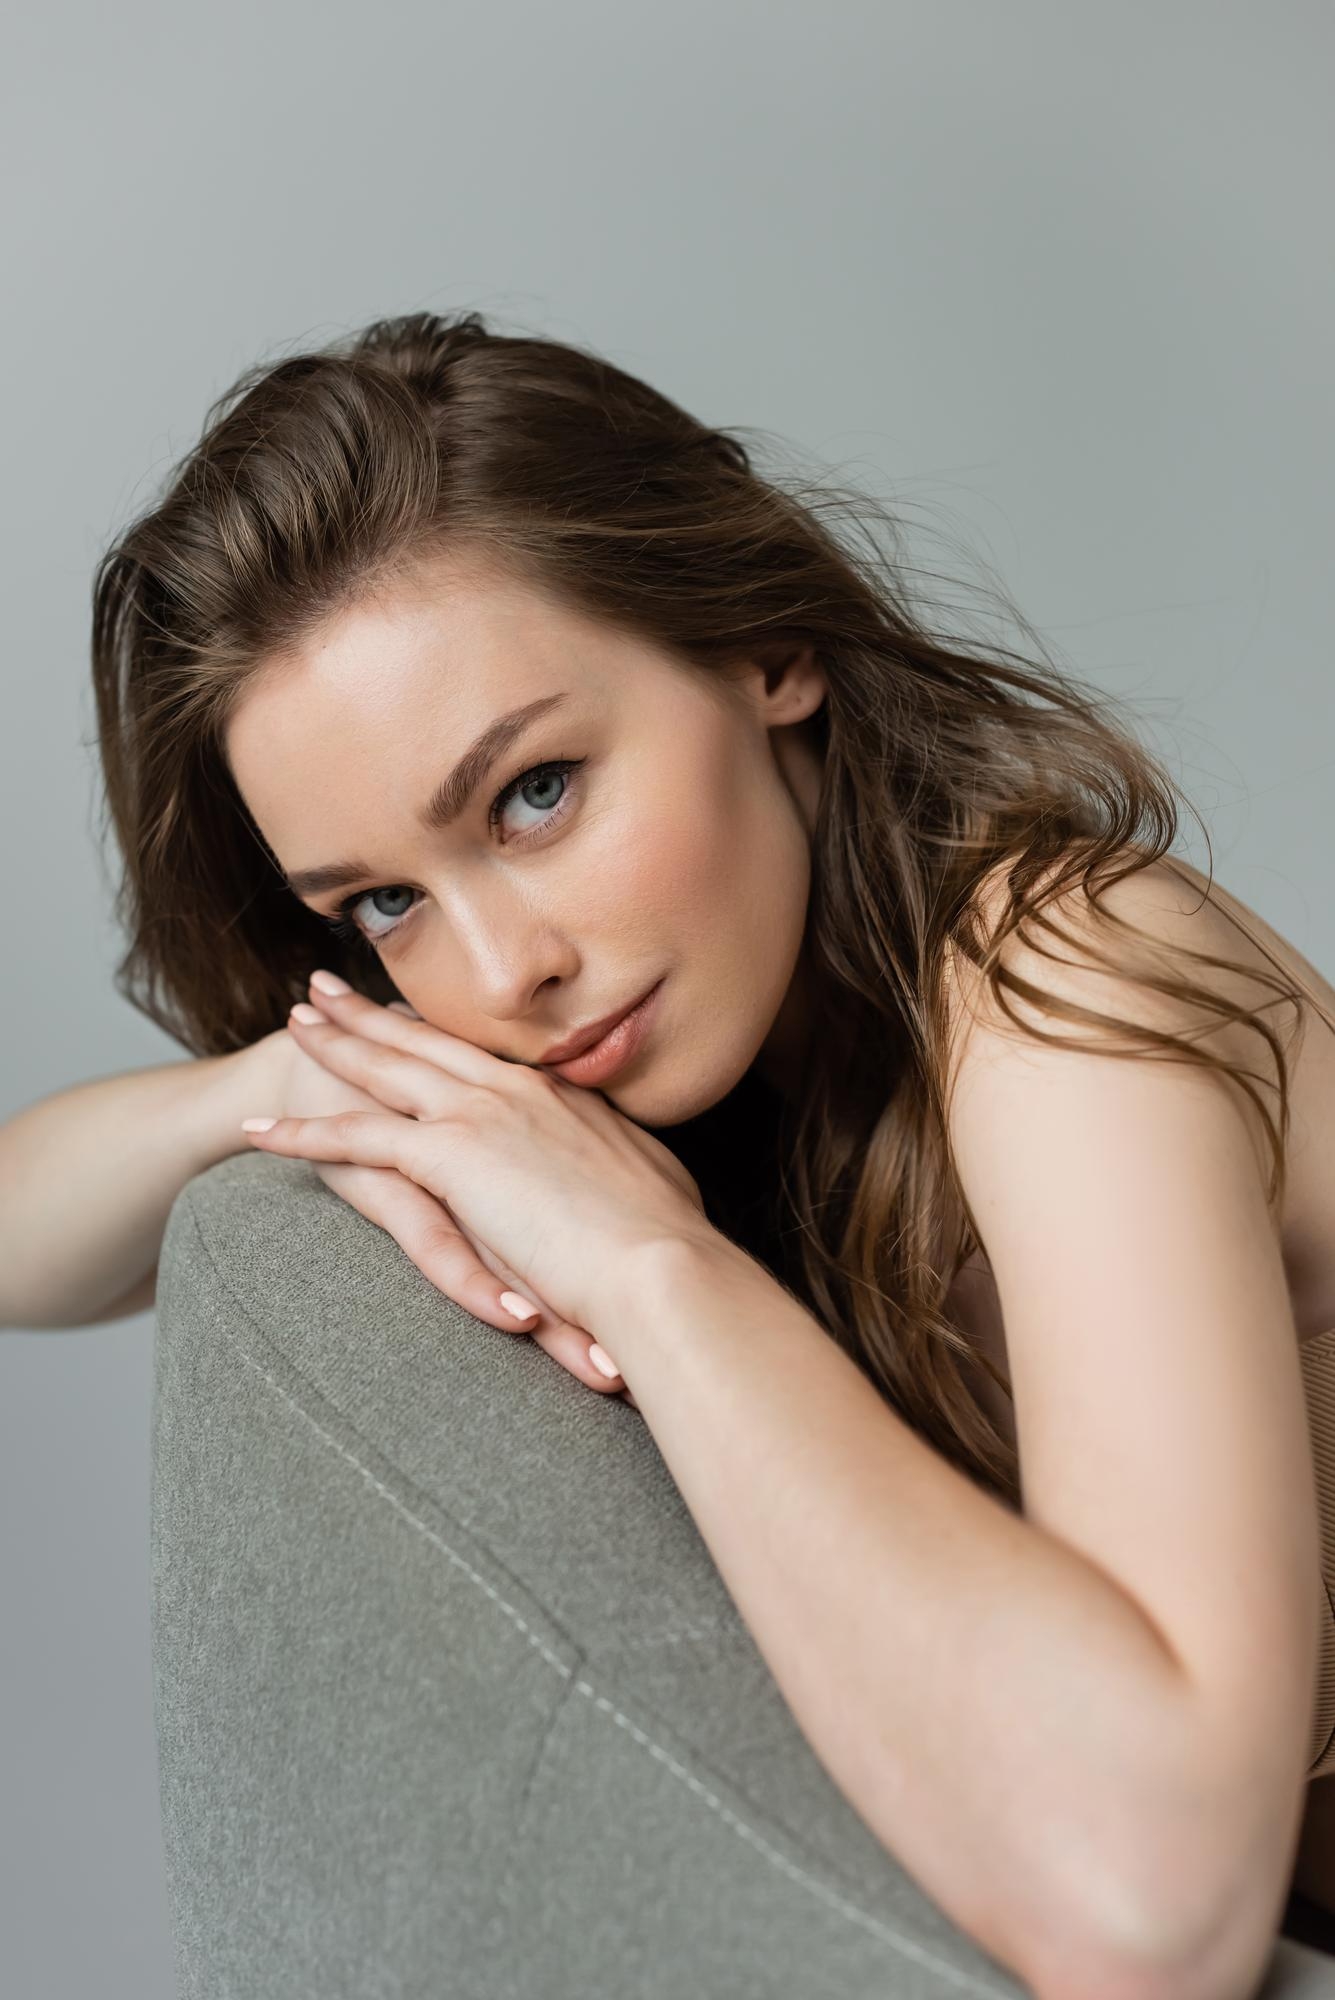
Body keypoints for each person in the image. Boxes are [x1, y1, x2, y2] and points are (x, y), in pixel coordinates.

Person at [4, 307, 1335, 1993]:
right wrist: (300, 1073)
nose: (503, 975)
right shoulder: (712, 1065)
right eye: (387, 902)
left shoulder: (1062, 966)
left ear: (763, 646)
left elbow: (1160, 1907)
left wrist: (654, 1266)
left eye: (536, 792)